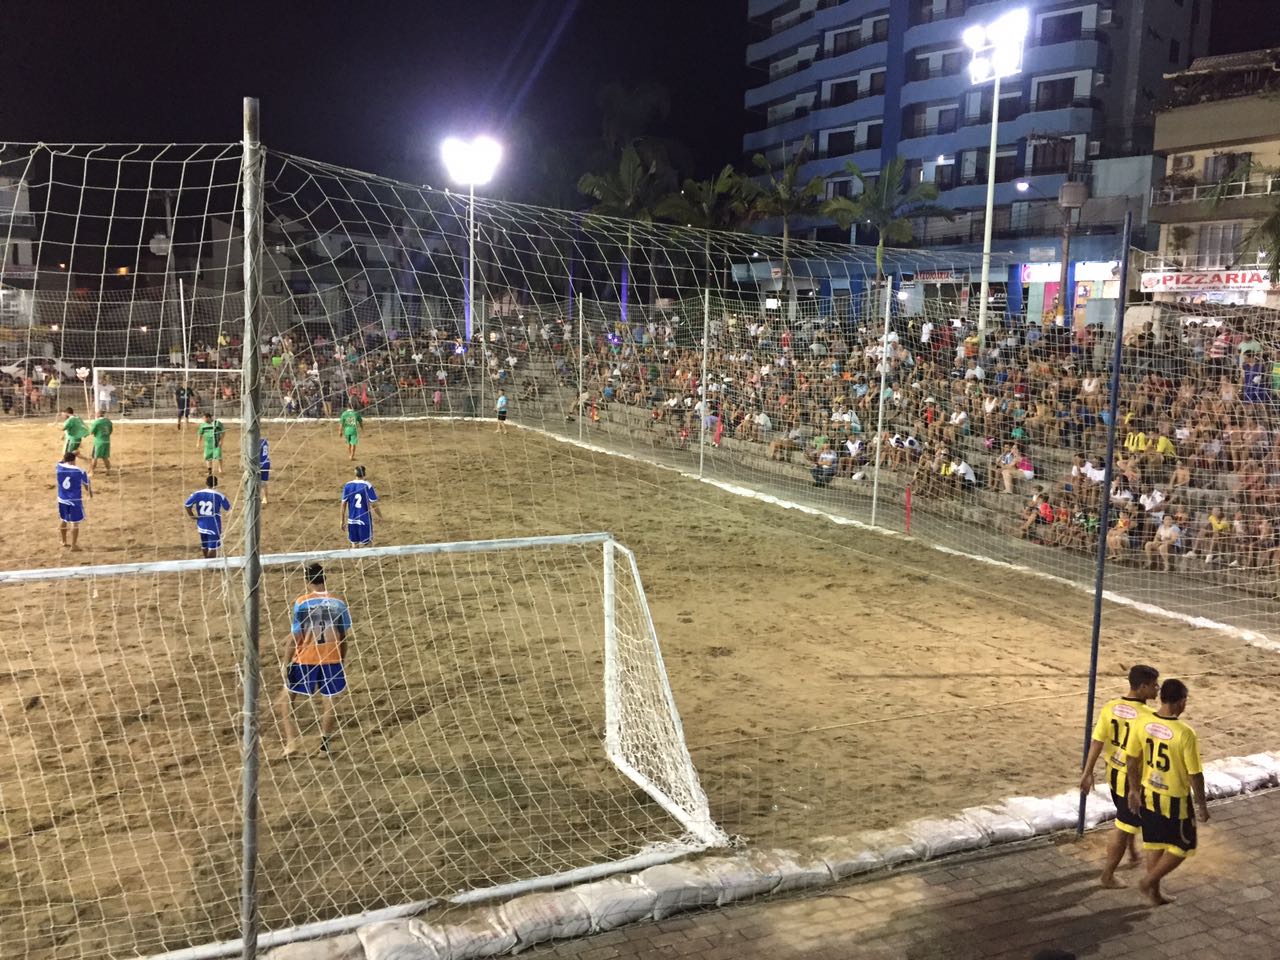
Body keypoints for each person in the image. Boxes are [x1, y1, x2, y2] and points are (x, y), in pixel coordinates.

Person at [1125, 678, 1209, 906]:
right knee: (1184, 845)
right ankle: (1149, 881)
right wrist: (1201, 804)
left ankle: (1154, 893)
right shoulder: (1185, 733)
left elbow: (1131, 759)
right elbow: (1195, 774)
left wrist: (1133, 790)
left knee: (1155, 843)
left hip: (1148, 793)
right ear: (1181, 701)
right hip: (1175, 799)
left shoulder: (1142, 722)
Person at [1079, 664, 1161, 888]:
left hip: (1113, 773)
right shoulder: (1149, 716)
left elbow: (1097, 741)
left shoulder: (1111, 707)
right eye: (1154, 685)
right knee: (1124, 824)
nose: (1158, 689)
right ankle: (1108, 875)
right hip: (1133, 779)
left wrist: (1087, 773)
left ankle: (1133, 852)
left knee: (1127, 817)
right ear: (1142, 686)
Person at [277, 562, 352, 758]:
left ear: (307, 580)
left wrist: (286, 663)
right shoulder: (339, 602)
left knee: (285, 700)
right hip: (331, 657)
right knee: (329, 702)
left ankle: (292, 743)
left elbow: (297, 637)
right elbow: (342, 635)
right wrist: (341, 660)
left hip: (306, 659)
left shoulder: (302, 602)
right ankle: (324, 746)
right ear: (324, 578)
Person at [184, 475, 232, 558]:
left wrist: (191, 516)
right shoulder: (219, 495)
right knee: (213, 547)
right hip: (214, 525)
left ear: (206, 483)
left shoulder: (197, 494)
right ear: (216, 484)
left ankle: (206, 561)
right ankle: (209, 564)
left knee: (204, 545)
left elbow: (187, 505)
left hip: (201, 523)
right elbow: (228, 508)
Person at [56, 451, 91, 550]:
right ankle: (74, 545)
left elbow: (61, 461)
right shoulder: (80, 470)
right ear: (74, 460)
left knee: (63, 519)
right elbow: (87, 485)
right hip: (74, 500)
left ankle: (63, 541)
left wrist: (70, 454)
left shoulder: (58, 466)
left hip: (62, 498)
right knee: (74, 522)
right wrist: (90, 493)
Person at [341, 465, 381, 545]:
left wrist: (342, 520)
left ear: (355, 474)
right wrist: (380, 515)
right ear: (364, 474)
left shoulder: (348, 485)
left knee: (354, 544)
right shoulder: (367, 485)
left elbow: (343, 504)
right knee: (367, 544)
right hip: (364, 520)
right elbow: (374, 504)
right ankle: (364, 558)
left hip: (352, 520)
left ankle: (356, 558)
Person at [259, 436, 271, 505]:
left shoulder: (256, 443)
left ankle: (255, 497)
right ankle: (265, 498)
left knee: (255, 481)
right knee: (264, 482)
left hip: (260, 464)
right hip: (267, 462)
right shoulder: (264, 441)